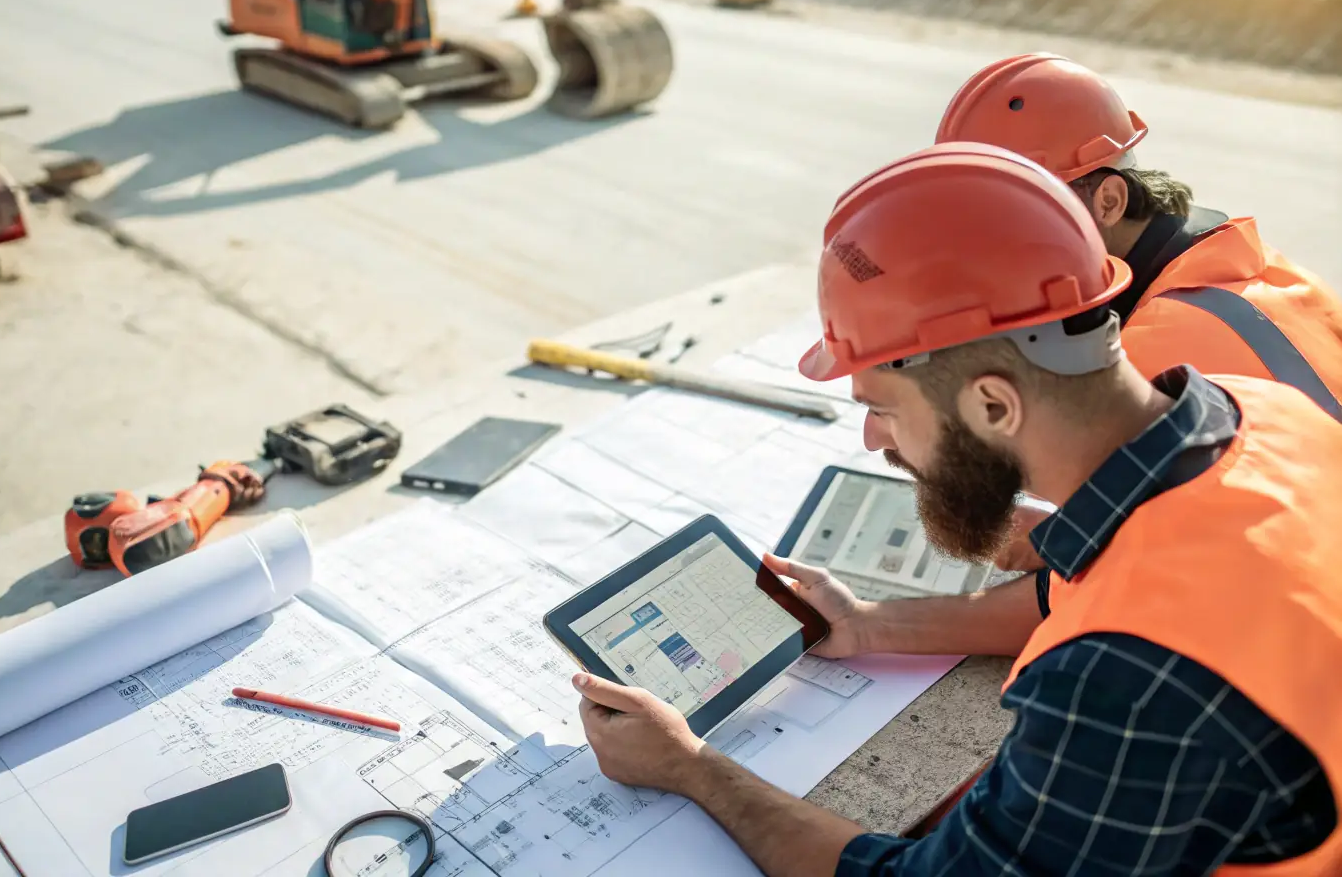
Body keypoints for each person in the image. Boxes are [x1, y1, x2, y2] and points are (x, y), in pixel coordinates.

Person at [574, 143, 1342, 876]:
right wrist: (872, 624)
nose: (874, 440)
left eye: (882, 408)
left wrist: (693, 769)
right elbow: (1088, 588)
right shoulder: (1256, 411)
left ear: (990, 403)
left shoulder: (1122, 684)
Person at [936, 52, 1342, 570]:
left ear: (1107, 201)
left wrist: (872, 625)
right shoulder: (1262, 269)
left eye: (1018, 218)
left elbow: (1089, 590)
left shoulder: (1150, 360)